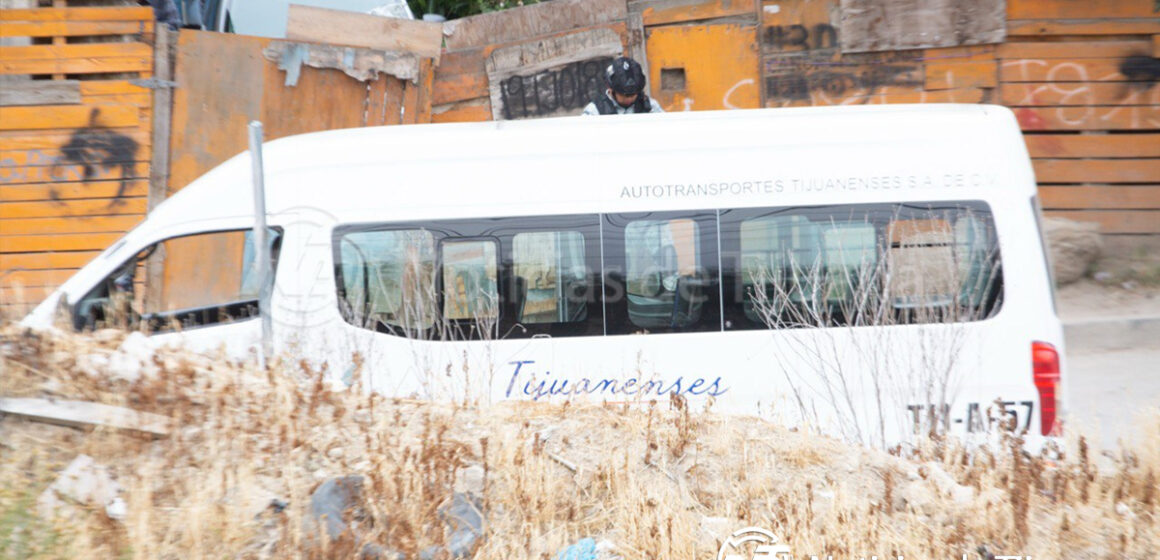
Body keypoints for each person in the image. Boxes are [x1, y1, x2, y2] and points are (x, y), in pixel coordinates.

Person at [582, 56, 664, 115]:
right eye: (624, 96)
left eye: (633, 95)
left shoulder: (651, 108)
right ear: (610, 89)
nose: (629, 99)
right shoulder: (594, 112)